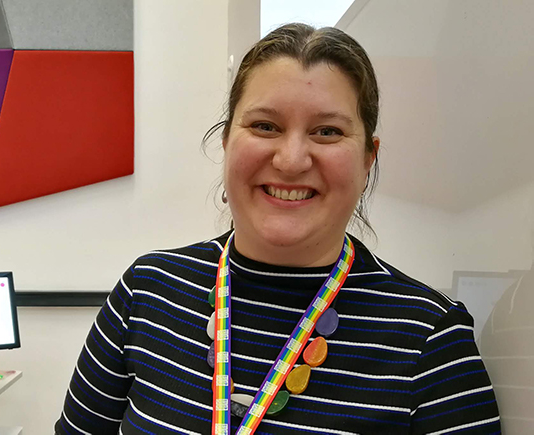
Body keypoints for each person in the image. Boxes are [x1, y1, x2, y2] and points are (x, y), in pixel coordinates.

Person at [55, 24, 500, 434]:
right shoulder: (147, 293)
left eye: (327, 132)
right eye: (265, 126)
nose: (291, 160)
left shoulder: (430, 337)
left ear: (368, 159)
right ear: (228, 141)